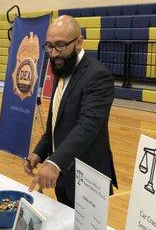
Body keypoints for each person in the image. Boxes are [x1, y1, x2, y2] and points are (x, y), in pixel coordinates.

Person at [24, 15, 118, 207]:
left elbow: (88, 126)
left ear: (79, 42)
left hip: (89, 178)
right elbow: (56, 122)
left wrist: (54, 162)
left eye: (61, 45)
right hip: (64, 176)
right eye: (49, 46)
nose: (54, 53)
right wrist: (39, 153)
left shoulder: (98, 75)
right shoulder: (62, 69)